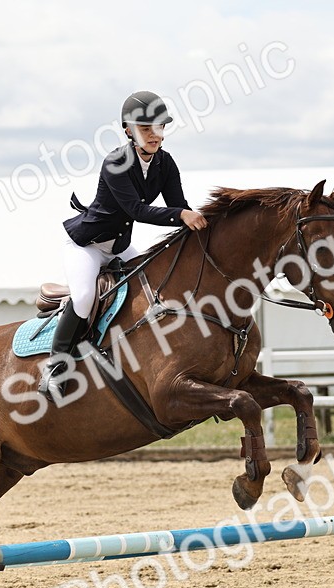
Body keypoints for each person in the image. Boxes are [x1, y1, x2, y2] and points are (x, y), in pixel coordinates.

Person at [38, 90, 208, 400]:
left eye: (159, 128)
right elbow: (137, 211)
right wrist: (182, 215)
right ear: (128, 130)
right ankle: (54, 367)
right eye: (146, 129)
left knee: (154, 285)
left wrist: (197, 232)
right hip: (87, 245)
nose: (154, 135)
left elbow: (177, 206)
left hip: (119, 246)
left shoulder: (165, 163)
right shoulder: (116, 162)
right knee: (85, 297)